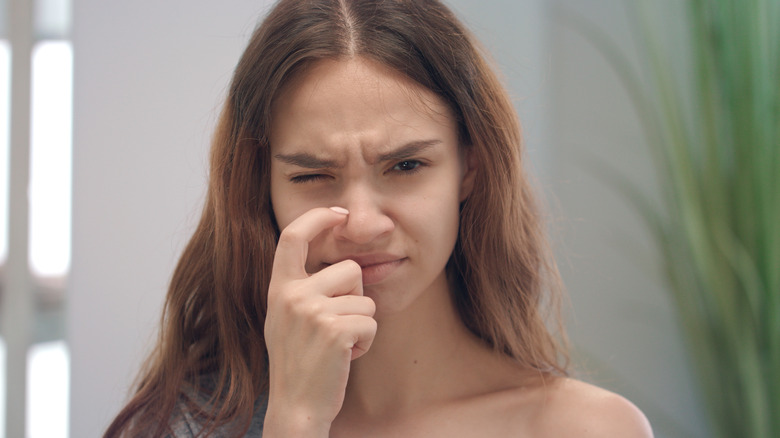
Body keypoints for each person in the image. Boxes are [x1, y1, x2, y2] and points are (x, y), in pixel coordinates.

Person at [105, 0, 654, 436]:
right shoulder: (177, 427)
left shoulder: (586, 429)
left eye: (407, 165)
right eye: (312, 176)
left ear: (470, 167)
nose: (363, 224)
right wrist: (296, 423)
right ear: (260, 186)